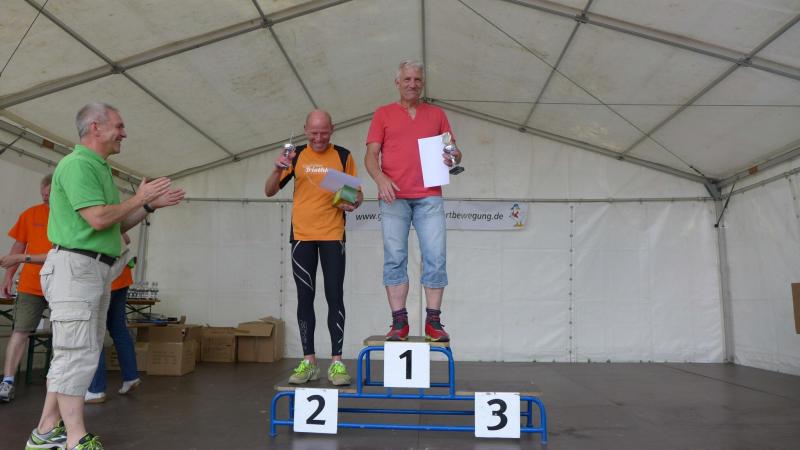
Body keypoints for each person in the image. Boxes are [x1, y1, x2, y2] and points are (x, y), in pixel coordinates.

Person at [26, 102, 185, 450]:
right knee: (75, 353)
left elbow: (114, 225)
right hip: (76, 269)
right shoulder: (78, 165)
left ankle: (45, 432)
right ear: (95, 127)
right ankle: (75, 438)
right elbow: (98, 218)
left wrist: (146, 205)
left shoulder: (98, 168)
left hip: (92, 269)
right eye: (119, 126)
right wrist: (139, 197)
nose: (124, 133)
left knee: (79, 352)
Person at [364, 60, 463, 342]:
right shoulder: (383, 113)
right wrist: (380, 178)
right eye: (407, 79)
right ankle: (399, 323)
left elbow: (454, 151)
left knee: (435, 256)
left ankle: (434, 322)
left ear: (423, 84)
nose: (412, 84)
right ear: (397, 83)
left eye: (417, 79)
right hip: (393, 196)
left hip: (429, 195)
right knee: (395, 257)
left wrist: (453, 157)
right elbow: (370, 155)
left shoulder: (437, 114)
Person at [265, 110, 362, 386]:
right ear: (305, 129)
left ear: (332, 129)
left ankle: (337, 363)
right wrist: (277, 168)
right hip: (302, 236)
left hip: (333, 234)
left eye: (324, 132)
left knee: (335, 297)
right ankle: (309, 362)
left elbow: (357, 195)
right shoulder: (294, 155)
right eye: (314, 132)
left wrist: (352, 201)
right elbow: (269, 191)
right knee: (304, 299)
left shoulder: (343, 155)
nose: (319, 138)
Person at [0, 174, 53, 403]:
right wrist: (8, 276)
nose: (45, 199)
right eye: (43, 195)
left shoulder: (72, 215)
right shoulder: (31, 214)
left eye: (50, 195)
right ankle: (7, 381)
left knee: (65, 334)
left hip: (61, 284)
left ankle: (59, 384)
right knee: (20, 330)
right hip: (31, 284)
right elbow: (18, 246)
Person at [84, 233, 140, 404]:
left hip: (104, 278)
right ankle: (131, 376)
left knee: (95, 332)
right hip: (121, 277)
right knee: (119, 329)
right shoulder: (110, 220)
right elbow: (126, 238)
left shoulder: (90, 219)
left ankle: (96, 389)